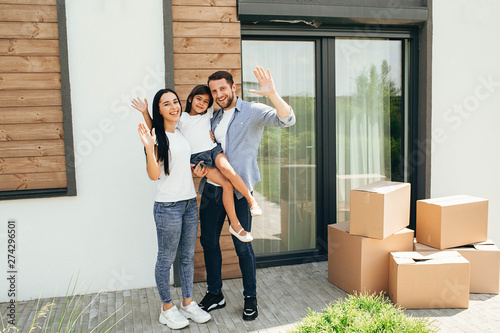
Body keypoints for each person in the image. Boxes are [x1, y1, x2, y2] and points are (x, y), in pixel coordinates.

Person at [194, 67, 296, 320]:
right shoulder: (213, 117)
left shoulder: (252, 111)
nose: (218, 94)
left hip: (239, 193)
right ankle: (215, 294)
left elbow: (287, 120)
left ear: (233, 88)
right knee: (208, 242)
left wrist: (272, 94)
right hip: (211, 190)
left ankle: (250, 297)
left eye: (223, 89)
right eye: (214, 90)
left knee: (243, 247)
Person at [132, 84, 262, 242]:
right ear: (190, 99)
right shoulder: (181, 118)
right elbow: (157, 128)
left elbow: (226, 114)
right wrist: (145, 112)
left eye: (206, 101)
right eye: (198, 99)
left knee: (229, 171)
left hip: (214, 150)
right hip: (199, 158)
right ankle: (235, 226)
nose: (202, 103)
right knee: (226, 184)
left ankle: (252, 201)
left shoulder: (209, 113)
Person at [136, 88, 212, 330]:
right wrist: (149, 148)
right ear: (160, 110)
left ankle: (188, 303)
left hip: (189, 203)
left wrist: (195, 172)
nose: (174, 106)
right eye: (166, 104)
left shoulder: (180, 132)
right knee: (166, 259)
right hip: (168, 206)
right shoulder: (157, 138)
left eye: (175, 102)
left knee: (187, 257)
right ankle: (167, 309)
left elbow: (179, 164)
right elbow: (153, 175)